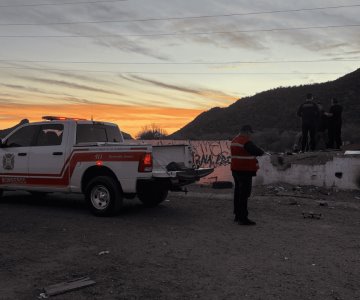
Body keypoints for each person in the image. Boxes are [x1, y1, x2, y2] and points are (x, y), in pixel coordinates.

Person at [230, 125, 264, 225]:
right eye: (250, 133)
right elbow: (258, 152)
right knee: (244, 194)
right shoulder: (245, 141)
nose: (250, 135)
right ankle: (243, 218)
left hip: (235, 170)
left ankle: (237, 215)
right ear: (246, 131)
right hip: (244, 171)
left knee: (238, 193)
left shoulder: (234, 140)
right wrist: (261, 150)